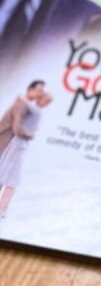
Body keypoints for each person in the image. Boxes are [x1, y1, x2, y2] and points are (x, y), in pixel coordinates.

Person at [0, 80, 51, 218]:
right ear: (31, 89)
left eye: (43, 94)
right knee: (9, 176)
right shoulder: (24, 105)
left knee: (8, 175)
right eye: (39, 92)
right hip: (11, 143)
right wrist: (29, 134)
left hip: (16, 144)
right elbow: (17, 127)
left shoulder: (30, 108)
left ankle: (2, 208)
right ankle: (2, 209)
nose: (41, 95)